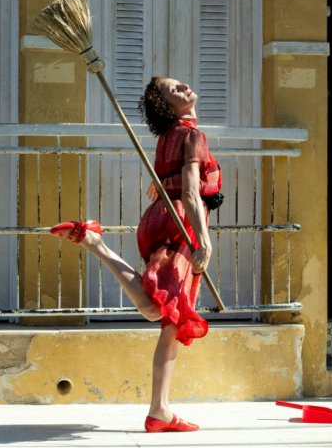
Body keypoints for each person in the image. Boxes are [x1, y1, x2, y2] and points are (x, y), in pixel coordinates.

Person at [50, 77, 222, 432]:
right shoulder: (192, 135)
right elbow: (191, 193)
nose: (184, 86)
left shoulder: (169, 136)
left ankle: (160, 410)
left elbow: (168, 181)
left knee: (160, 312)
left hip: (159, 218)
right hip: (180, 222)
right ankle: (159, 410)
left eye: (180, 84)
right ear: (167, 106)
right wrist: (203, 241)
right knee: (167, 316)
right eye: (174, 90)